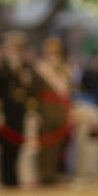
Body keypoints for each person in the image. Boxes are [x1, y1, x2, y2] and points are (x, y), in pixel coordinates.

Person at [0, 31, 38, 189]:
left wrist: (31, 108)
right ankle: (6, 179)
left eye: (18, 48)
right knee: (5, 147)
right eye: (12, 48)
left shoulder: (24, 67)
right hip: (6, 111)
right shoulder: (0, 68)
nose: (15, 51)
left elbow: (30, 90)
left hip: (19, 111)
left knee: (17, 146)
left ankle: (14, 179)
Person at [32, 36, 73, 186]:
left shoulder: (64, 68)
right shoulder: (40, 69)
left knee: (60, 144)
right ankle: (46, 174)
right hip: (46, 110)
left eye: (56, 50)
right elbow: (36, 92)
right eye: (50, 50)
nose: (53, 53)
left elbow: (67, 90)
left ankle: (56, 172)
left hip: (61, 110)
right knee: (47, 145)